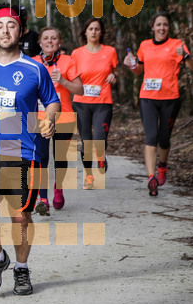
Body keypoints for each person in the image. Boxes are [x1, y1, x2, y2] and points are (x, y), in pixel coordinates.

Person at [0, 5, 60, 296]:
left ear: (20, 32)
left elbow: (52, 101)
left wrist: (49, 119)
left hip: (22, 153)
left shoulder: (35, 69)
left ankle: (21, 268)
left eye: (11, 25)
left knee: (20, 217)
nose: (5, 30)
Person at [123, 12, 192, 196]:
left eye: (165, 25)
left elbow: (191, 66)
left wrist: (187, 55)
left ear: (169, 28)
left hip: (170, 98)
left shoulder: (178, 44)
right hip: (148, 98)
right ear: (152, 27)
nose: (162, 28)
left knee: (164, 139)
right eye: (159, 25)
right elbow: (138, 71)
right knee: (151, 136)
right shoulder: (145, 45)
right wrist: (131, 65)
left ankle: (162, 165)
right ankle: (151, 177)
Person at [32, 27, 84, 214]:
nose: (50, 41)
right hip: (38, 118)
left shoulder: (69, 61)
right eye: (46, 38)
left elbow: (79, 90)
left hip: (64, 117)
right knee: (42, 158)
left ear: (59, 42)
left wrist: (63, 81)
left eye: (54, 38)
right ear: (40, 42)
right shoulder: (32, 62)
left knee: (60, 158)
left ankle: (58, 188)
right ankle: (43, 198)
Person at [71, 18, 118, 190]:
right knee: (86, 141)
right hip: (81, 102)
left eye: (97, 29)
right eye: (90, 28)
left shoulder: (110, 51)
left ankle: (101, 156)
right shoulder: (76, 53)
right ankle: (89, 175)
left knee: (100, 137)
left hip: (103, 102)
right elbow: (72, 75)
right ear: (85, 32)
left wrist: (114, 76)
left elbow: (115, 70)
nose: (93, 32)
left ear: (101, 32)